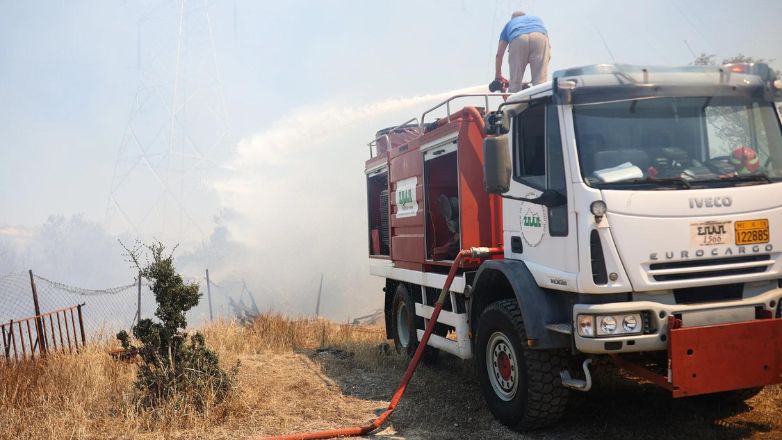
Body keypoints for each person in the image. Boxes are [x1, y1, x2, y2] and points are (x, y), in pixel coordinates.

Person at [495, 11, 551, 92]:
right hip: (539, 37)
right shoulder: (537, 20)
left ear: (513, 19)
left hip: (518, 38)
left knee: (515, 83)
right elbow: (548, 53)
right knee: (540, 83)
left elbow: (499, 54)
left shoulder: (509, 24)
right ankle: (541, 98)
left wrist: (498, 76)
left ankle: (514, 97)